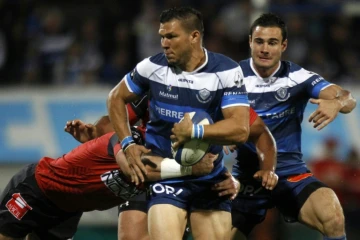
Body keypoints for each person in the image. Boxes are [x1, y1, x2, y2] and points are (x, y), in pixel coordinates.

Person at [106, 6, 272, 239]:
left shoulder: (225, 71)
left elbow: (240, 130)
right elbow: (115, 97)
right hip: (166, 178)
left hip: (209, 179)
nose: (164, 43)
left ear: (194, 36)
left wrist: (194, 131)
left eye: (171, 36)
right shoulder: (152, 67)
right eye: (162, 36)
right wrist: (127, 143)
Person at [66, 104, 278, 240]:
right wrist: (94, 133)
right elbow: (114, 117)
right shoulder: (154, 77)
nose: (166, 44)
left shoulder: (218, 86)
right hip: (153, 169)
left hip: (204, 176)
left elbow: (259, 132)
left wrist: (263, 171)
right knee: (131, 237)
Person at [231, 13, 357, 240]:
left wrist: (336, 103)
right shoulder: (230, 77)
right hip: (246, 179)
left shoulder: (297, 77)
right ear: (250, 41)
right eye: (259, 42)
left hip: (291, 174)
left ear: (284, 45)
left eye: (272, 42)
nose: (265, 49)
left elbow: (348, 98)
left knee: (334, 218)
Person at [0, 126, 220, 240]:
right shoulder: (128, 139)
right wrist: (191, 168)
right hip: (37, 190)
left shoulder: (168, 168)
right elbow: (135, 166)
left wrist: (225, 179)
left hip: (67, 212)